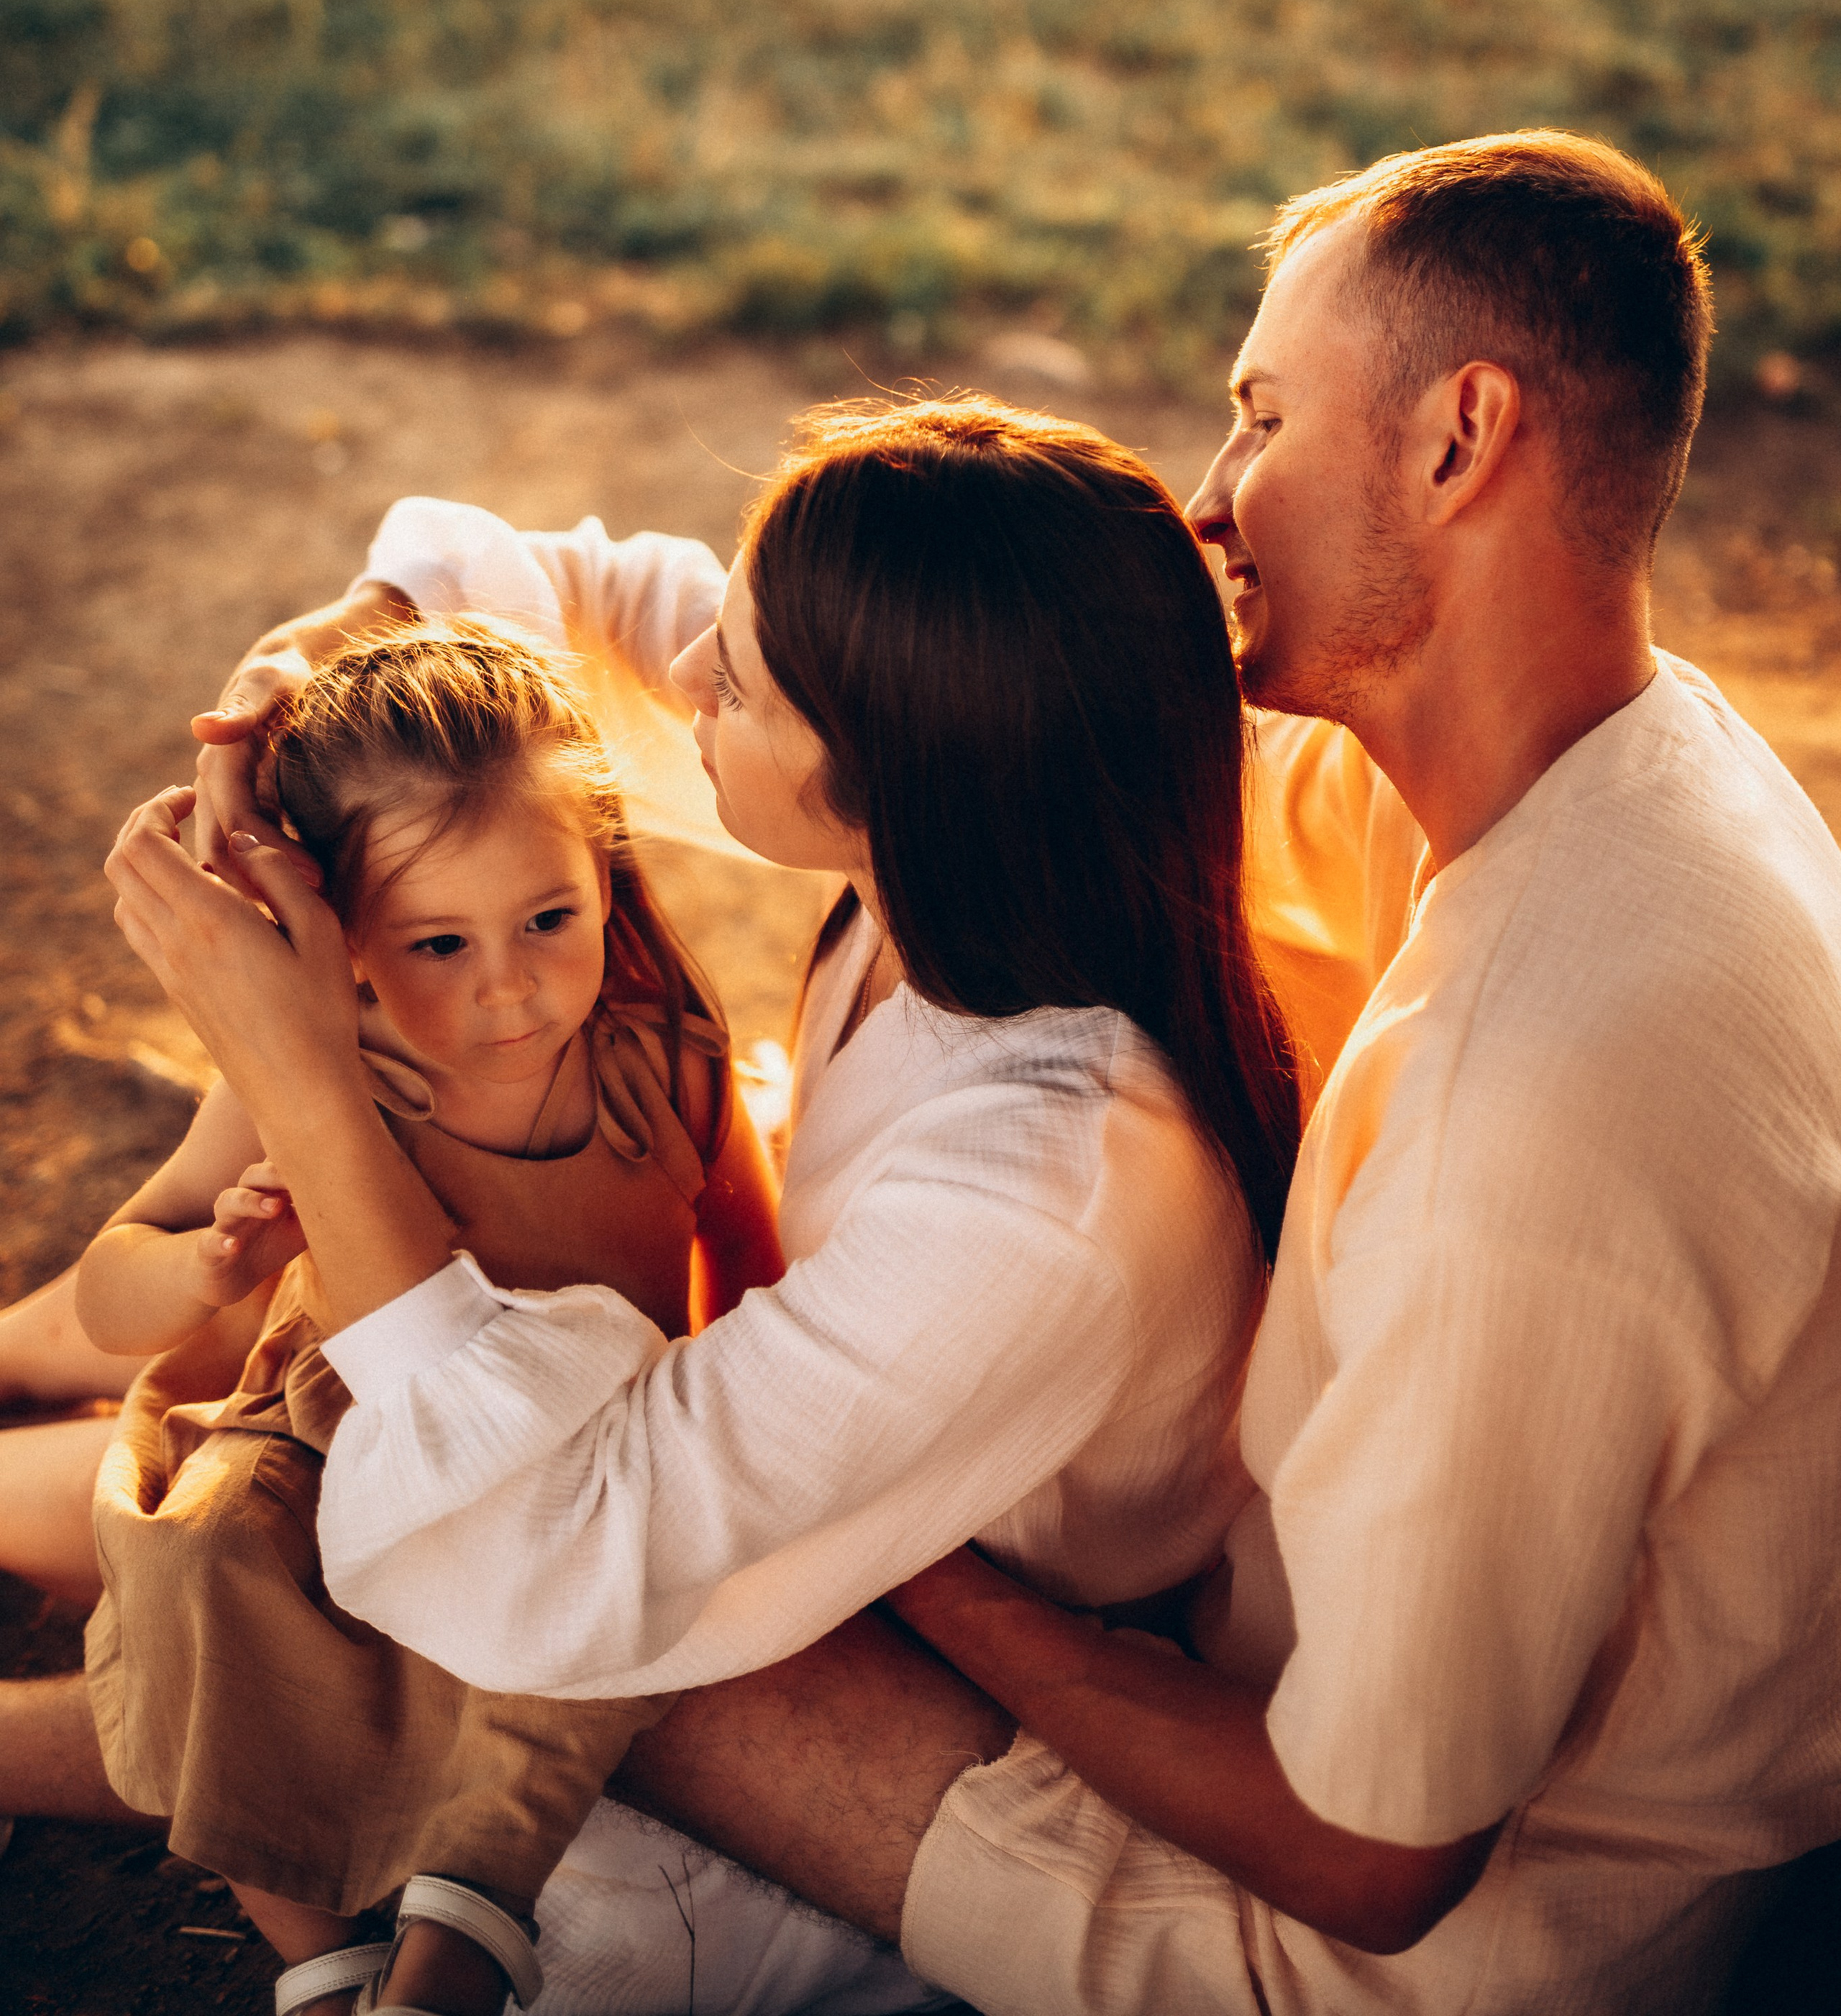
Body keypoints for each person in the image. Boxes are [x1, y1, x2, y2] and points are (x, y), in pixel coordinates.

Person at [146, 127, 1841, 2016]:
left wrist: (912, 1573)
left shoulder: (1524, 1112)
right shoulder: (1562, 765)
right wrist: (359, 652)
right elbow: (697, 650)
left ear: (1457, 441)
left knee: (383, 1565)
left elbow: (1372, 1861)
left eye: (1262, 417)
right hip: (1213, 1599)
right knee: (318, 1470)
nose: (1208, 499)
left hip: (1400, 1946)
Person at [95, 398, 1302, 2006]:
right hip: (723, 1470)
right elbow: (543, 598)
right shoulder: (979, 863)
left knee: (301, 1630)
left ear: (887, 770)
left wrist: (308, 1074)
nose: (678, 686)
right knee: (221, 1510)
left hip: (890, 1641)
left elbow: (545, 1559)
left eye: (733, 682)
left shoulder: (1044, 1191)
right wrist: (346, 642)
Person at [77, 621, 781, 2016]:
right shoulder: (321, 1066)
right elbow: (115, 1281)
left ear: (604, 870)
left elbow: (753, 1278)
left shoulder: (666, 1054)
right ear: (336, 938)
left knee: (609, 1581)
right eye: (437, 942)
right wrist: (208, 1266)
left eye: (548, 917)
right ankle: (323, 1958)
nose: (508, 984)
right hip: (333, 1463)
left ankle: (457, 1941)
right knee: (196, 1566)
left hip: (571, 1464)